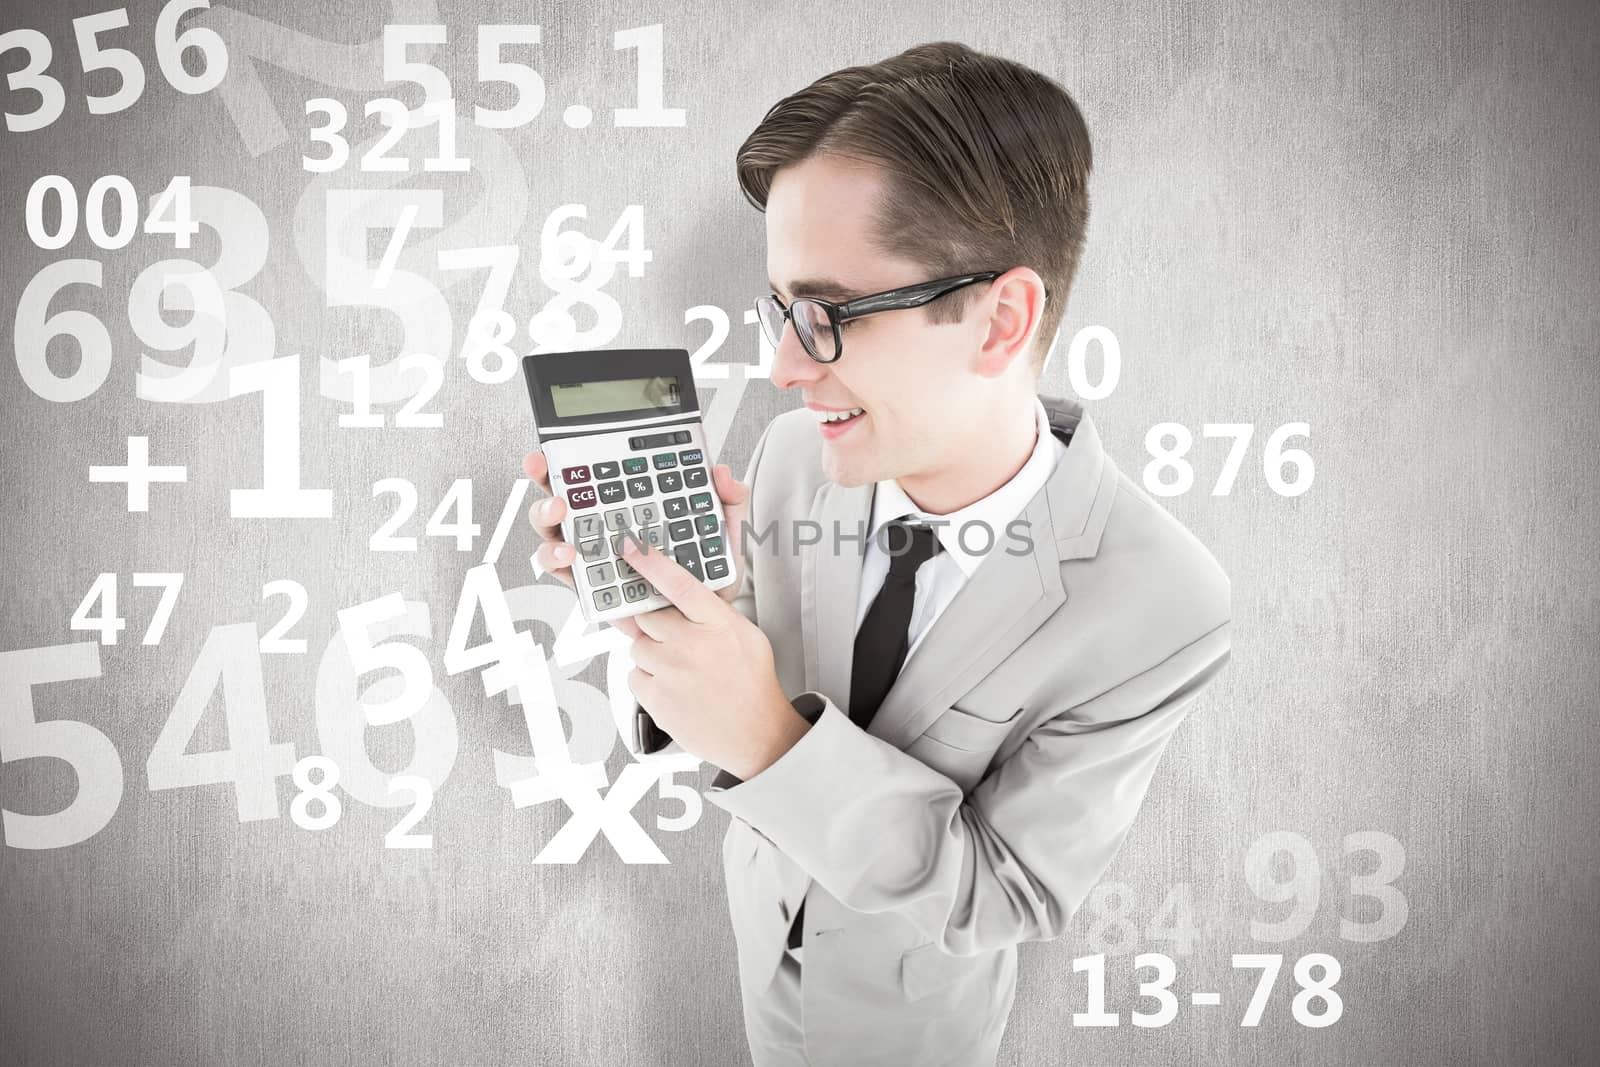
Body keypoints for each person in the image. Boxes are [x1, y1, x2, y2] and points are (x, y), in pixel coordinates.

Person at [522, 41, 1231, 1067]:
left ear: (1000, 320)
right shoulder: (793, 459)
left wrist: (772, 736)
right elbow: (757, 664)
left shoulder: (1161, 601)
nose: (777, 368)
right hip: (762, 961)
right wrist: (670, 598)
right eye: (778, 311)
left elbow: (1006, 890)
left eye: (825, 315)